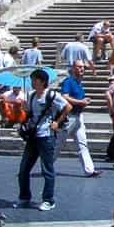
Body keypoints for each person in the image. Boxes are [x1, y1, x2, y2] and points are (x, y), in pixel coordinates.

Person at [15, 69, 71, 211]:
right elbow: (30, 114)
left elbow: (68, 107)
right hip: (33, 136)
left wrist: (57, 122)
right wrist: (23, 109)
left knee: (47, 169)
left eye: (35, 80)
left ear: (42, 82)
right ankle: (24, 197)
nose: (32, 82)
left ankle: (48, 199)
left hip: (46, 136)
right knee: (23, 169)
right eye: (32, 79)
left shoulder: (52, 95)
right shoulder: (32, 95)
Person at [56, 60, 100, 178]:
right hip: (69, 117)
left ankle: (89, 170)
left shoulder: (79, 83)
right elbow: (64, 96)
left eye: (83, 67)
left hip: (78, 117)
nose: (82, 69)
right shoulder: (68, 81)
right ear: (73, 68)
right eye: (79, 67)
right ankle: (47, 165)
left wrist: (83, 101)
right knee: (58, 144)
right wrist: (81, 102)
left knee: (82, 144)